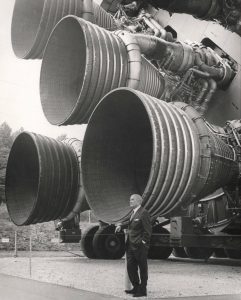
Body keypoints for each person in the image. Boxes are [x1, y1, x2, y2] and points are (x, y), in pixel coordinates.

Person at [115, 194, 152, 297]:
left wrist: (143, 243)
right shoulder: (134, 213)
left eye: (132, 199)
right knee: (131, 267)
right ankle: (136, 287)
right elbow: (130, 223)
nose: (130, 201)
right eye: (130, 199)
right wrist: (120, 226)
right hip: (130, 245)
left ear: (139, 201)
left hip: (140, 246)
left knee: (142, 268)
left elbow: (148, 231)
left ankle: (142, 290)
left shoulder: (144, 213)